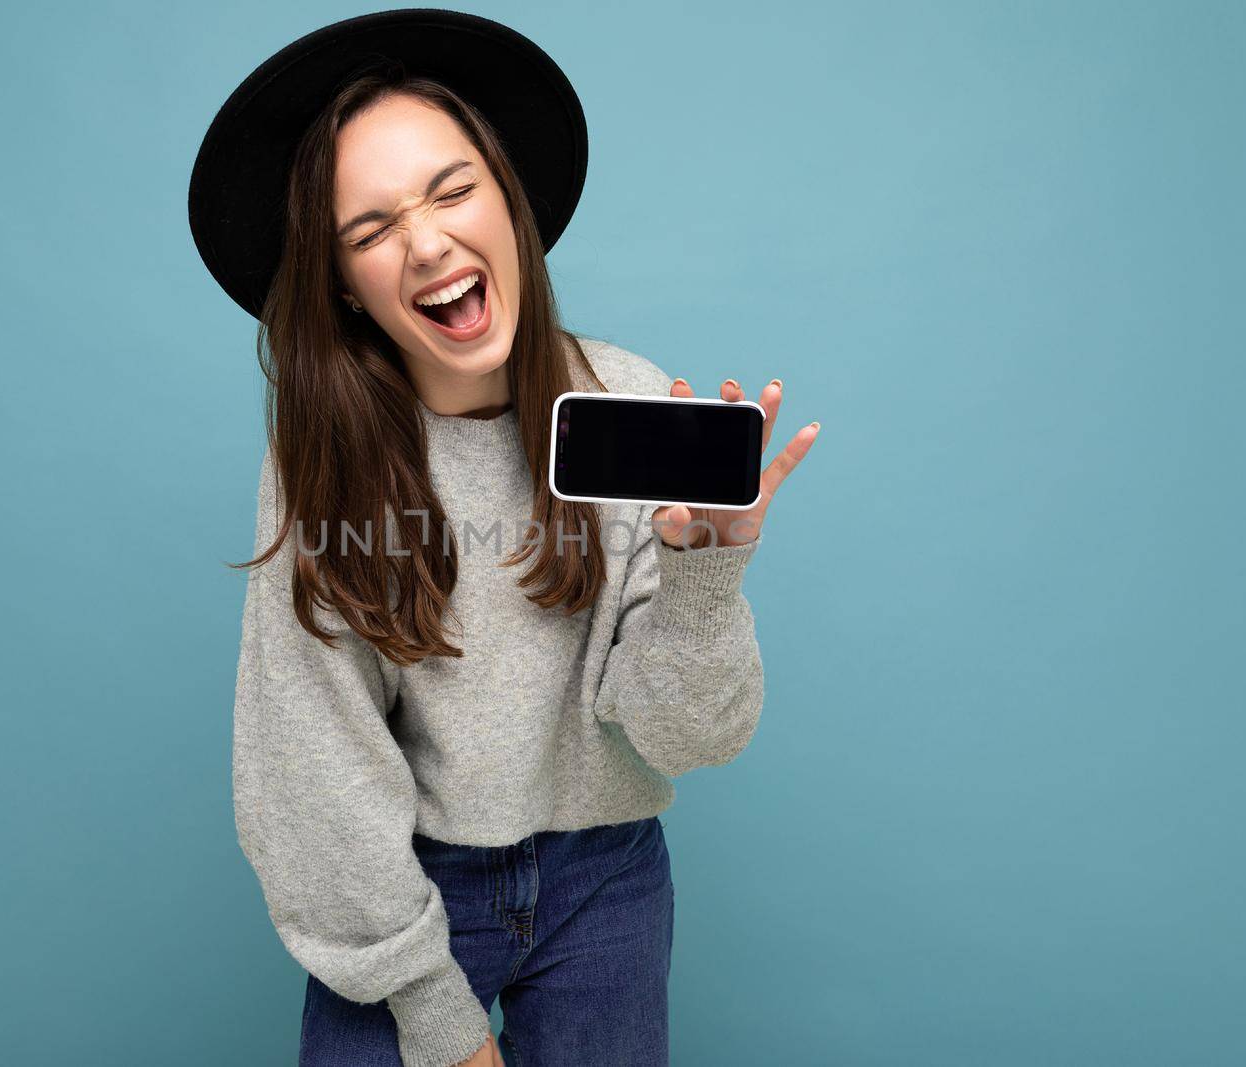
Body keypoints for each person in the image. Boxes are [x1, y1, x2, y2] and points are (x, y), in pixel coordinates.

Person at [188, 11, 819, 1067]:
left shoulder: (621, 400)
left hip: (608, 885)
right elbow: (310, 765)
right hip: (403, 895)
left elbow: (688, 739)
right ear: (343, 280)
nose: (427, 242)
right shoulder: (325, 456)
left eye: (451, 189)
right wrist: (433, 1012)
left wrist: (706, 578)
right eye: (371, 227)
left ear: (508, 201)